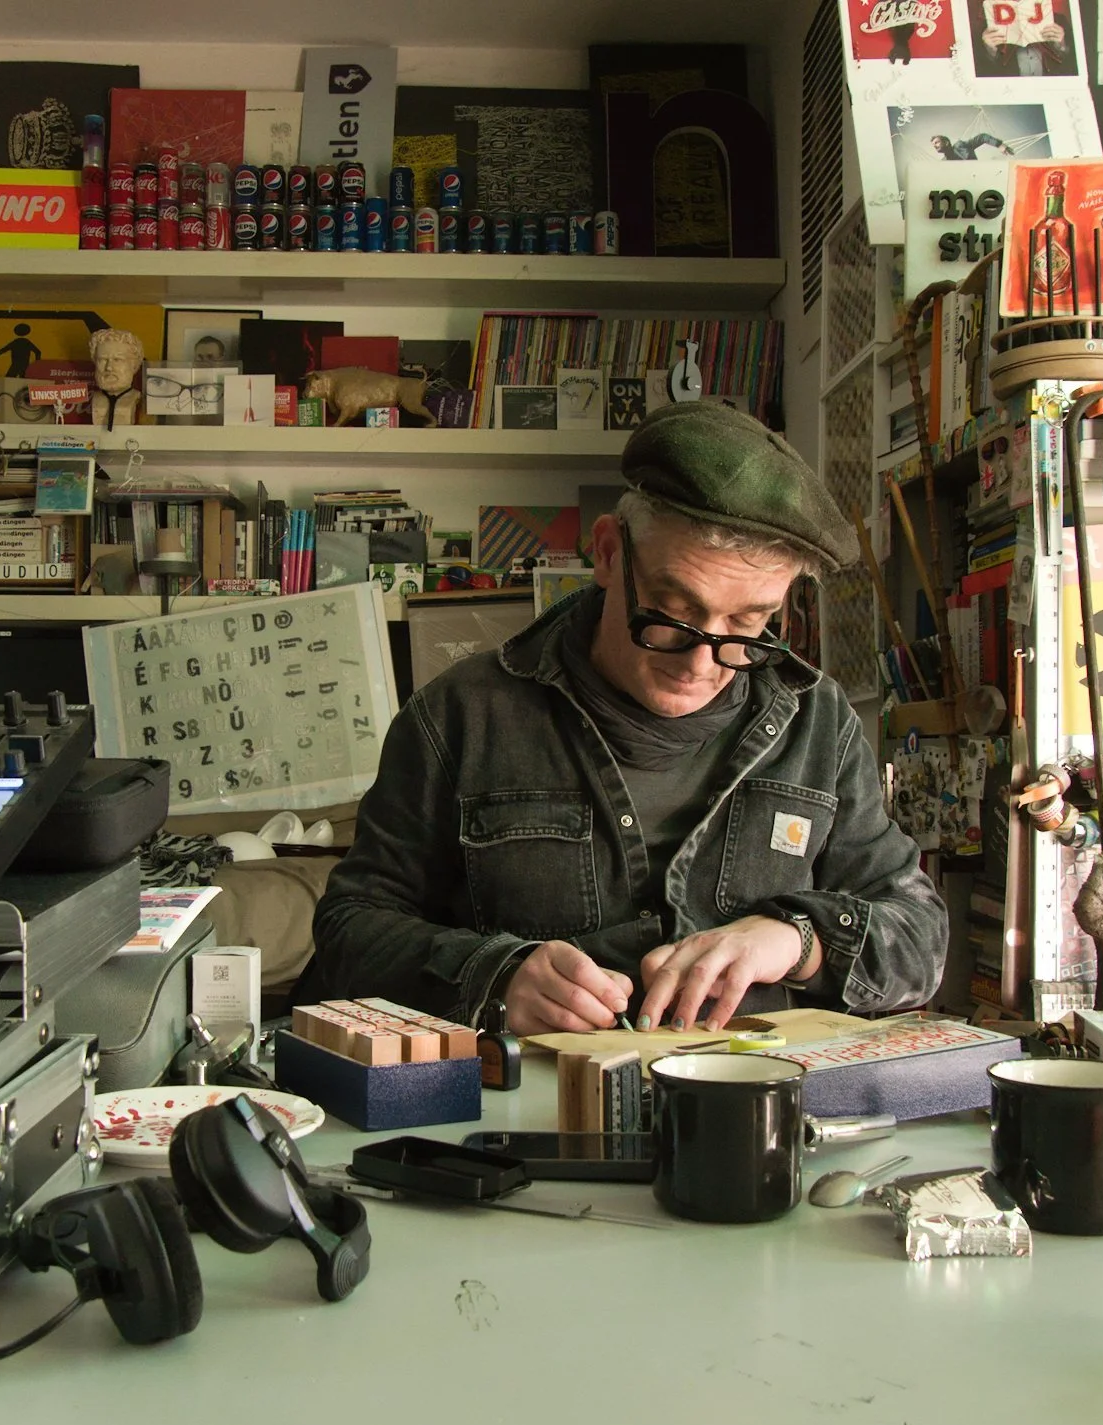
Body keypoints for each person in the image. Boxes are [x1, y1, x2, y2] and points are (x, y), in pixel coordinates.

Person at [305, 402, 948, 1036]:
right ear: (609, 554)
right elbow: (349, 929)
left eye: (748, 625)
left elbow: (919, 934)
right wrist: (492, 977)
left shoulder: (818, 721)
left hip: (763, 1106)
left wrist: (797, 941)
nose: (701, 662)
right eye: (672, 615)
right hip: (538, 1114)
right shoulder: (459, 717)